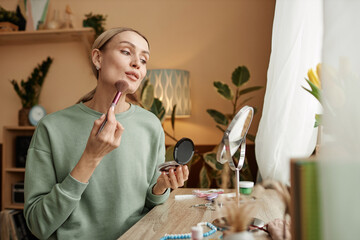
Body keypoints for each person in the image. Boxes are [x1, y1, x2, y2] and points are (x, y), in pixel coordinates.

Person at [24, 27, 189, 239]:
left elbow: (150, 207)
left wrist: (161, 187)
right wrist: (91, 157)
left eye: (144, 59)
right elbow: (38, 225)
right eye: (126, 52)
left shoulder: (151, 125)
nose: (137, 63)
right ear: (98, 58)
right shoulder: (51, 128)